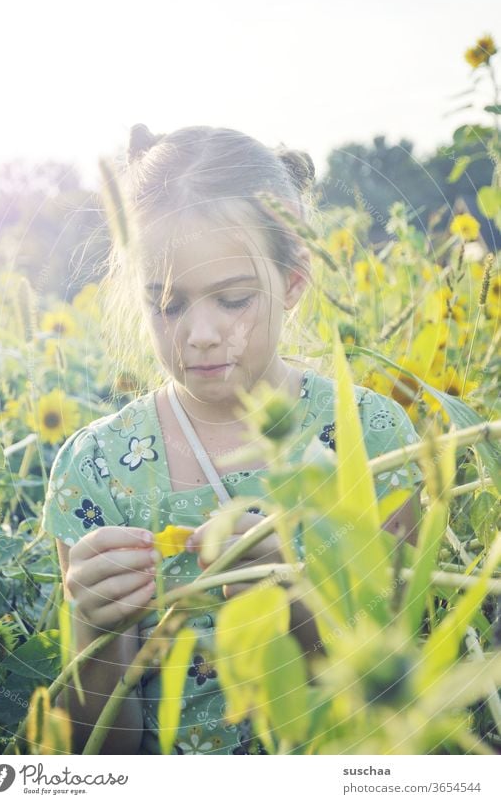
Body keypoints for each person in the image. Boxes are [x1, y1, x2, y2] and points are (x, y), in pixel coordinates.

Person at [41, 124, 424, 755]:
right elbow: (99, 756)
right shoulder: (98, 468)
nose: (200, 334)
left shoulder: (373, 441)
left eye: (233, 299)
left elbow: (393, 701)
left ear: (293, 282)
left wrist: (293, 601)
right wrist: (95, 629)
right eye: (167, 304)